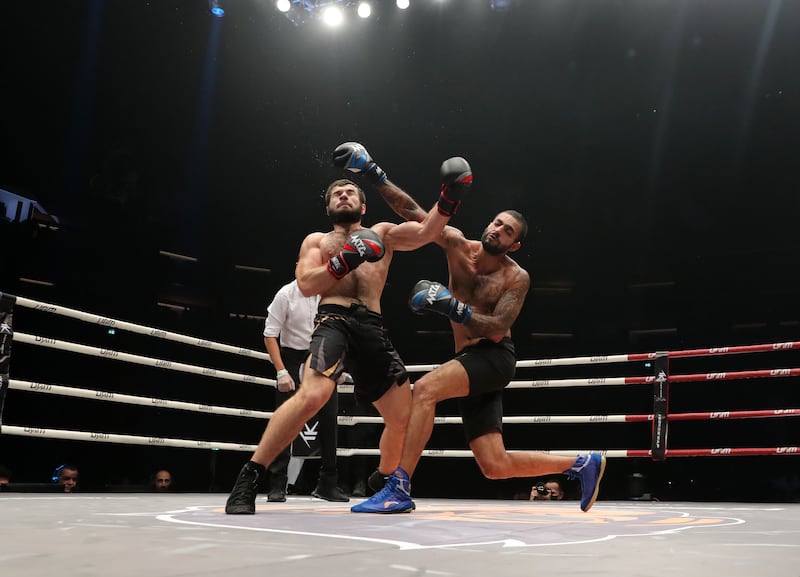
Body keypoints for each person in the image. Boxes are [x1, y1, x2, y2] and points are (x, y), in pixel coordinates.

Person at [345, 144, 606, 514]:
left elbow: (499, 328)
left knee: (425, 391)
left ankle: (399, 485)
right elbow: (415, 215)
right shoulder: (456, 245)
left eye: (508, 231)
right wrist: (373, 173)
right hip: (469, 360)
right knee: (493, 465)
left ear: (514, 244)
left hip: (495, 358)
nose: (499, 230)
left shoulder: (516, 277)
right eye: (497, 222)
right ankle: (581, 463)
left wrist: (452, 307)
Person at [225, 143, 471, 514]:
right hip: (333, 322)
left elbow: (427, 232)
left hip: (372, 326)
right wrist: (345, 259)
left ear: (364, 205)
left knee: (404, 417)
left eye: (350, 191)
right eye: (336, 194)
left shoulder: (384, 233)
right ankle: (249, 477)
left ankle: (384, 479)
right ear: (328, 208)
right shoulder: (318, 241)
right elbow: (307, 284)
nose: (343, 195)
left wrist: (449, 199)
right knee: (311, 398)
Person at [263, 278, 348, 502]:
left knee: (329, 418)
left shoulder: (330, 293)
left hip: (322, 356)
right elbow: (270, 334)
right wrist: (281, 371)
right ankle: (277, 484)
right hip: (291, 356)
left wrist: (338, 365)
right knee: (285, 420)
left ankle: (328, 484)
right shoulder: (286, 294)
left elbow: (339, 331)